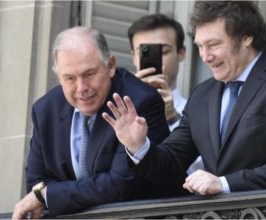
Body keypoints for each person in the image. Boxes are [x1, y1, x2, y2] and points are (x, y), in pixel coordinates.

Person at [103, 1, 266, 196]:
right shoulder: (203, 95)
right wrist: (138, 145)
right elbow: (171, 162)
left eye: (214, 45)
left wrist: (224, 184)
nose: (205, 57)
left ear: (246, 37)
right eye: (200, 46)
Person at [12, 26, 173, 218]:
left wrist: (50, 194)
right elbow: (35, 184)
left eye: (89, 74)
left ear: (111, 65)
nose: (81, 88)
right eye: (69, 78)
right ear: (58, 76)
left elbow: (120, 185)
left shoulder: (140, 101)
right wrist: (44, 194)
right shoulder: (45, 110)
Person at [128, 14, 203, 174]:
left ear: (181, 53)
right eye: (146, 51)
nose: (157, 60)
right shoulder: (116, 106)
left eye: (164, 51)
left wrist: (172, 117)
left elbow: (199, 171)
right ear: (134, 56)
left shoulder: (199, 112)